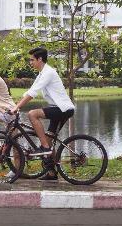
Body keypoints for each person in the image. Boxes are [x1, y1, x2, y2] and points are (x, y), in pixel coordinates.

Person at [11, 47, 75, 180]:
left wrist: (17, 107)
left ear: (40, 59)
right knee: (49, 140)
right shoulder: (42, 73)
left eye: (32, 60)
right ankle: (51, 173)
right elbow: (31, 90)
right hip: (57, 108)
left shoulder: (48, 73)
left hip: (62, 109)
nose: (30, 62)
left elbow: (33, 94)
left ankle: (44, 147)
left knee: (32, 114)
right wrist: (16, 105)